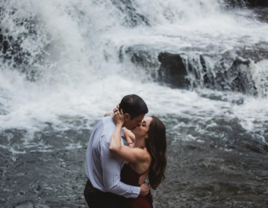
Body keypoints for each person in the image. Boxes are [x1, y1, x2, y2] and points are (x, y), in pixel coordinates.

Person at [84, 94, 150, 208]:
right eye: (138, 121)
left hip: (92, 186)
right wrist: (138, 191)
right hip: (103, 198)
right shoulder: (111, 143)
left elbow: (113, 121)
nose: (139, 124)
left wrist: (125, 131)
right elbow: (112, 185)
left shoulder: (103, 121)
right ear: (127, 116)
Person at [110, 109, 167, 208]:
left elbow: (114, 148)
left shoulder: (143, 155)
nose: (139, 123)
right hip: (127, 201)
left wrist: (119, 124)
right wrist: (119, 114)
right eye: (141, 121)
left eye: (143, 124)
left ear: (148, 135)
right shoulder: (135, 141)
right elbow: (109, 116)